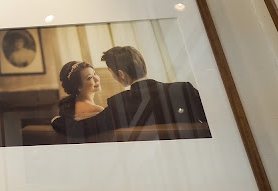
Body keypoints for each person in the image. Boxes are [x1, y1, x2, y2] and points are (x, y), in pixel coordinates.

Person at [52, 46, 210, 142]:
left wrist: (56, 121)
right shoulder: (183, 89)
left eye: (111, 72)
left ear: (121, 74)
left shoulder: (119, 103)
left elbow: (81, 129)